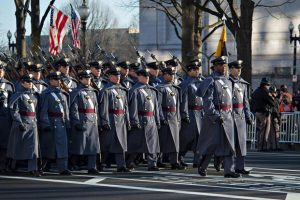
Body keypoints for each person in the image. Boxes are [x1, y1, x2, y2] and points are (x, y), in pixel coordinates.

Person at [196, 56, 239, 178]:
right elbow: (207, 101)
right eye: (221, 65)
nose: (224, 67)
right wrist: (215, 115)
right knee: (211, 144)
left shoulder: (229, 81)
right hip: (214, 119)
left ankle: (229, 170)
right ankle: (203, 165)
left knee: (229, 144)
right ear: (215, 67)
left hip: (228, 116)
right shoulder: (210, 81)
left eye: (225, 65)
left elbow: (231, 101)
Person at [127, 68, 161, 171]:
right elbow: (133, 108)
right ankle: (130, 161)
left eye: (148, 76)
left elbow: (156, 107)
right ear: (139, 77)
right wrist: (134, 121)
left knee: (153, 143)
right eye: (145, 76)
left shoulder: (152, 90)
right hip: (140, 119)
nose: (147, 78)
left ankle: (152, 164)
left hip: (151, 119)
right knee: (136, 143)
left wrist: (157, 120)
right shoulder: (135, 90)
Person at [7, 74, 40, 176]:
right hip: (21, 123)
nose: (30, 84)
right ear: (22, 83)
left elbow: (37, 110)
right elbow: (14, 110)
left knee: (33, 147)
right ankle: (11, 166)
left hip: (33, 123)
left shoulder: (34, 95)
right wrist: (19, 122)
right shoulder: (18, 95)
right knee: (17, 146)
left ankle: (32, 168)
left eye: (31, 82)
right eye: (28, 82)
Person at [98, 67, 131, 172]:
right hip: (111, 119)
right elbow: (104, 108)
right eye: (116, 76)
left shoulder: (123, 89)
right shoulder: (106, 90)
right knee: (106, 144)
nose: (118, 78)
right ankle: (100, 163)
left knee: (121, 144)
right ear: (110, 77)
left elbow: (126, 108)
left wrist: (128, 121)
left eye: (119, 76)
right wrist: (105, 121)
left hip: (121, 119)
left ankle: (121, 165)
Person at [39, 72, 71, 175]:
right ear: (50, 81)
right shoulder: (46, 94)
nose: (59, 81)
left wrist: (67, 123)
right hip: (51, 122)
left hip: (61, 122)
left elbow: (66, 111)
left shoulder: (63, 93)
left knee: (62, 147)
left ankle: (63, 168)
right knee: (48, 146)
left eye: (59, 80)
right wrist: (45, 124)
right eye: (56, 80)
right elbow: (43, 110)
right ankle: (41, 167)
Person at [69, 70, 100, 174]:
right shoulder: (76, 92)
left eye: (89, 78)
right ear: (80, 79)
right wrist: (76, 122)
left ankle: (92, 166)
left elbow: (96, 108)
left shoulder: (93, 91)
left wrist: (98, 121)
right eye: (86, 78)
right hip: (82, 120)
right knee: (78, 145)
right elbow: (74, 108)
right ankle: (72, 163)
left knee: (93, 145)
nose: (88, 80)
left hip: (93, 121)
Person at [156, 67, 184, 170]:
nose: (173, 77)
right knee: (162, 140)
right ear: (165, 75)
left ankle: (174, 161)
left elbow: (178, 105)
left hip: (174, 117)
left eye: (173, 75)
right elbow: (157, 105)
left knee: (175, 141)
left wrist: (178, 118)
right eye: (170, 75)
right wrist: (161, 118)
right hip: (165, 116)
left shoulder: (176, 88)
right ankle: (158, 160)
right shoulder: (160, 88)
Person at [179, 60, 204, 168]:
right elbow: (183, 100)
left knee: (200, 138)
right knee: (187, 138)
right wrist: (184, 114)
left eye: (198, 69)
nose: (197, 71)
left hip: (200, 113)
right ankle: (179, 156)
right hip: (190, 113)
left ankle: (197, 160)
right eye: (195, 69)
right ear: (189, 71)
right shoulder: (185, 84)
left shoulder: (201, 82)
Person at [228, 60, 252, 175]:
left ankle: (240, 167)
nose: (239, 70)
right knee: (231, 144)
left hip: (241, 116)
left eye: (240, 68)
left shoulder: (243, 83)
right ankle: (230, 168)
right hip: (230, 116)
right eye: (236, 68)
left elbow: (245, 101)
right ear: (231, 69)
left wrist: (248, 115)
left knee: (241, 144)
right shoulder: (227, 82)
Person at [251, 77, 275, 151]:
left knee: (259, 131)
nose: (268, 86)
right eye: (268, 85)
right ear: (266, 85)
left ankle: (259, 146)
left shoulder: (255, 91)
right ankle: (263, 147)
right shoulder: (265, 91)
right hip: (264, 113)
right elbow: (272, 102)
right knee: (264, 131)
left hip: (256, 113)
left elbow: (251, 102)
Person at [0, 61, 15, 173]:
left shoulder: (9, 85)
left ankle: (3, 165)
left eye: (1, 70)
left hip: (5, 117)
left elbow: (12, 103)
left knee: (5, 142)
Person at [269, 86, 281, 151]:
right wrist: (279, 118)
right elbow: (275, 110)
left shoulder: (271, 99)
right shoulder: (273, 100)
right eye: (275, 92)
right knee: (276, 132)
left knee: (273, 132)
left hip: (272, 116)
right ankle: (276, 146)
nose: (276, 93)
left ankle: (274, 146)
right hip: (274, 117)